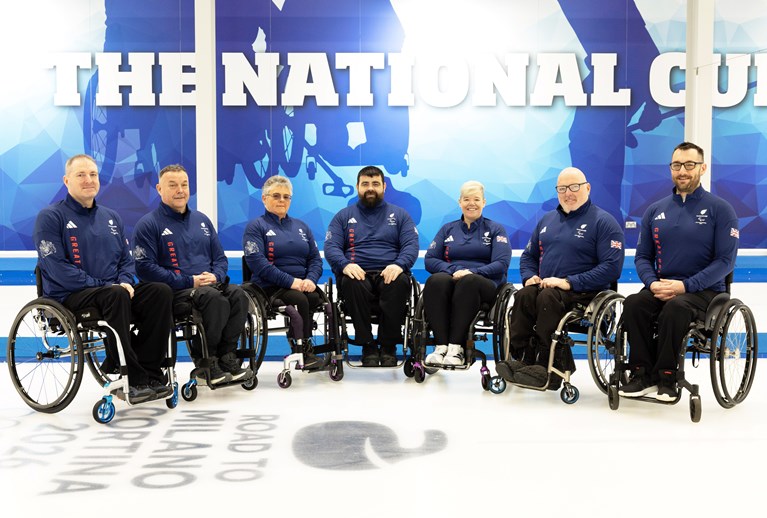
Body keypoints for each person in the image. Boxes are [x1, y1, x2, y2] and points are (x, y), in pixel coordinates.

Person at [33, 154, 174, 403]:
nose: (88, 180)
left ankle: (150, 370)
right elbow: (57, 269)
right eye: (81, 175)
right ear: (66, 180)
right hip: (71, 296)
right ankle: (132, 376)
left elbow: (126, 261)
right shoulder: (51, 217)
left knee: (160, 292)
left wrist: (125, 281)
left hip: (113, 292)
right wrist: (108, 286)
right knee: (116, 294)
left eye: (93, 174)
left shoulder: (111, 217)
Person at [619, 142, 739, 401]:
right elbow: (643, 257)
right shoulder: (655, 210)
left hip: (705, 291)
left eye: (689, 165)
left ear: (702, 168)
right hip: (662, 286)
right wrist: (652, 283)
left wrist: (685, 286)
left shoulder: (721, 210)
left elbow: (725, 261)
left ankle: (667, 378)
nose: (682, 171)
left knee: (676, 308)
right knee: (634, 304)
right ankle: (642, 375)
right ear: (670, 168)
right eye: (676, 165)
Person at [496, 167, 625, 388]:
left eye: (574, 187)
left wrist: (569, 282)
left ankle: (549, 365)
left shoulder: (604, 222)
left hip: (585, 293)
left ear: (587, 188)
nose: (568, 193)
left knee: (547, 297)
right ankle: (522, 359)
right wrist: (529, 276)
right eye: (562, 188)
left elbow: (612, 268)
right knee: (525, 294)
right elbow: (528, 256)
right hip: (548, 288)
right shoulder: (547, 220)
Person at [132, 164, 251, 385]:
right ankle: (207, 361)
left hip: (209, 285)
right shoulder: (148, 224)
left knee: (238, 295)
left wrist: (216, 276)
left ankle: (227, 357)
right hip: (177, 292)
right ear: (159, 189)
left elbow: (220, 259)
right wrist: (190, 281)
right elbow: (144, 268)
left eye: (184, 185)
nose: (180, 190)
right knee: (214, 299)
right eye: (173, 185)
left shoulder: (202, 220)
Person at [324, 165, 419, 367]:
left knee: (399, 282)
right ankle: (367, 345)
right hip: (356, 273)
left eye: (375, 184)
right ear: (357, 187)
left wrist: (399, 265)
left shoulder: (400, 215)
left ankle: (388, 346)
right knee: (351, 282)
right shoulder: (342, 216)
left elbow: (411, 245)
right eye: (365, 184)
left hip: (390, 271)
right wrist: (345, 265)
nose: (370, 188)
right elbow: (331, 247)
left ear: (384, 187)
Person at [422, 181, 511, 365]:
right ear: (460, 202)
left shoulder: (495, 229)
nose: (472, 203)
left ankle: (456, 348)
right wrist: (454, 270)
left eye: (476, 199)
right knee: (435, 281)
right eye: (467, 199)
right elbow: (430, 259)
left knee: (469, 281)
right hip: (453, 278)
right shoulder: (447, 229)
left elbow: (501, 264)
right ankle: (441, 346)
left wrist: (472, 272)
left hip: (484, 284)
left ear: (484, 202)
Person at [242, 175, 324, 369]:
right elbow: (257, 263)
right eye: (276, 196)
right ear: (264, 198)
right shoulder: (256, 226)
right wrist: (291, 282)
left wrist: (311, 279)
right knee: (300, 299)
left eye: (286, 197)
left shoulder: (302, 227)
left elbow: (315, 259)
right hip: (269, 287)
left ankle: (321, 348)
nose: (282, 200)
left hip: (302, 284)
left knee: (317, 299)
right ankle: (302, 350)